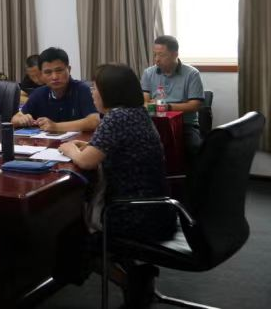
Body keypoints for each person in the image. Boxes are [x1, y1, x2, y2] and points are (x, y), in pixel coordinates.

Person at [59, 64, 175, 307]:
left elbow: (86, 162)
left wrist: (70, 149)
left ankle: (130, 282)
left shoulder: (116, 118)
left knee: (72, 238)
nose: (92, 92)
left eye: (95, 88)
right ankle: (137, 277)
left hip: (131, 213)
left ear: (110, 92)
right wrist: (88, 148)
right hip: (157, 208)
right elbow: (113, 149)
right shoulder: (137, 112)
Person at [140, 35, 205, 156]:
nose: (157, 59)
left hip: (185, 124)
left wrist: (167, 107)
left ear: (175, 54)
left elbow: (195, 105)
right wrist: (153, 107)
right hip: (155, 122)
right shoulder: (148, 73)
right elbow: (145, 102)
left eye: (161, 55)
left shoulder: (192, 74)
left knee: (194, 148)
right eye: (155, 54)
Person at [12, 47, 100, 132]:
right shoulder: (39, 93)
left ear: (69, 69)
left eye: (59, 70)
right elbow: (14, 119)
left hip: (78, 141)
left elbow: (94, 121)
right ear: (41, 74)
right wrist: (21, 119)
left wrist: (56, 126)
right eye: (48, 72)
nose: (54, 77)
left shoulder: (81, 89)